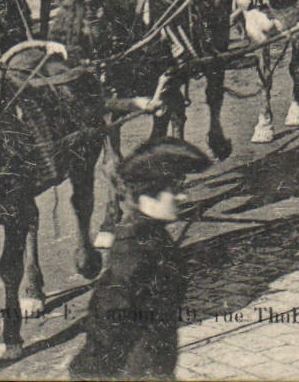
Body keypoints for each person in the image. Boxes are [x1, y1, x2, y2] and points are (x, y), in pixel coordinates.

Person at [68, 140, 212, 381]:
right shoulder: (134, 246)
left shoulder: (153, 235)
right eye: (174, 189)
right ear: (150, 194)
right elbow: (108, 318)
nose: (183, 196)